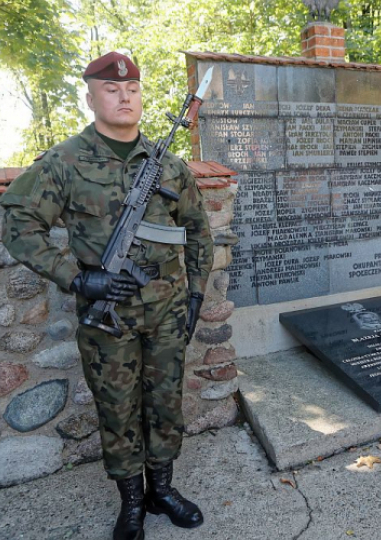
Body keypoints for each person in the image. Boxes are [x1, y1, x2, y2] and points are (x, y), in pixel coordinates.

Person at [0, 52, 214, 540]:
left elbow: (198, 232)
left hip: (167, 311)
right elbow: (17, 221)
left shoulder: (171, 167)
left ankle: (162, 490)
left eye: (133, 89)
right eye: (113, 89)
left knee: (165, 403)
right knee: (116, 409)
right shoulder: (65, 162)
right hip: (107, 316)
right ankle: (132, 503)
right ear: (92, 96)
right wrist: (76, 278)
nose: (124, 96)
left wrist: (196, 294)